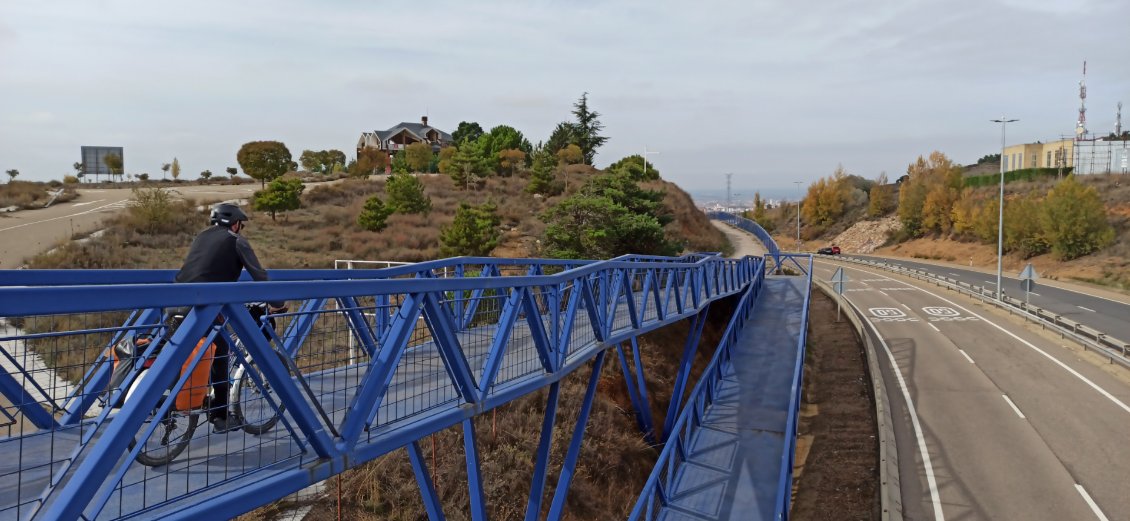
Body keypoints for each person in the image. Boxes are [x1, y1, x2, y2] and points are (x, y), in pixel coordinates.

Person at [175, 203, 285, 433]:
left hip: (176, 304)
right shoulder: (236, 241)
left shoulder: (200, 238)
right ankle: (220, 417)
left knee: (181, 354)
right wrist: (277, 304)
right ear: (235, 223)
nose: (241, 229)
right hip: (204, 309)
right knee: (220, 354)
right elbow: (260, 276)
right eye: (241, 225)